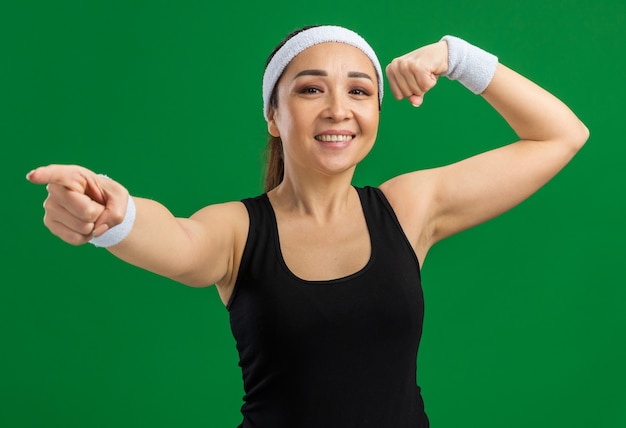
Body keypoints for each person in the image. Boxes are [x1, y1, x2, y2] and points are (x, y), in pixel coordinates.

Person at [27, 25, 588, 427]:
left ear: (375, 114)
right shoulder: (237, 230)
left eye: (359, 91)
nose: (338, 109)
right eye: (312, 88)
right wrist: (111, 214)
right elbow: (175, 238)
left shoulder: (409, 208)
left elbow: (560, 135)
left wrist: (457, 56)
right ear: (273, 115)